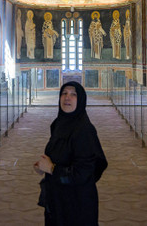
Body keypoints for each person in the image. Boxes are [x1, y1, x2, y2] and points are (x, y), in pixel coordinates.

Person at [34, 82, 107, 226]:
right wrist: (43, 166)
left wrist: (52, 169)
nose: (67, 98)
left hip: (77, 204)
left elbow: (84, 173)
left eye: (73, 94)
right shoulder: (58, 124)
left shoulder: (84, 131)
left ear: (81, 101)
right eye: (64, 93)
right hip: (58, 199)